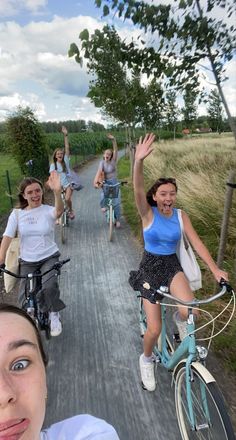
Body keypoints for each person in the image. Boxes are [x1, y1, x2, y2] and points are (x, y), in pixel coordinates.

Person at [129, 133, 228, 392]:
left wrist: (215, 269)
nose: (168, 198)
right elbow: (137, 189)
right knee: (153, 328)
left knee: (191, 310)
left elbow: (196, 243)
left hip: (172, 266)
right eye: (163, 194)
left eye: (172, 194)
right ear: (154, 196)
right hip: (150, 266)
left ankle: (181, 320)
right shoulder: (147, 213)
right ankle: (147, 359)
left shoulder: (181, 215)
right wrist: (138, 162)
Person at [0, 303, 120, 439]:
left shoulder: (91, 433)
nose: (3, 395)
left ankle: (54, 312)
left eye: (20, 365)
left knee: (50, 285)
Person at [0, 172, 66, 337]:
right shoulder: (17, 215)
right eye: (30, 192)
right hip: (28, 260)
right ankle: (27, 322)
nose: (35, 195)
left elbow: (59, 211)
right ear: (24, 195)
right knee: (23, 299)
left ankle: (54, 314)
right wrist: (0, 259)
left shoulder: (48, 211)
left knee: (49, 285)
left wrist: (57, 191)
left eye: (37, 191)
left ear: (42, 192)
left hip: (49, 256)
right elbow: (7, 236)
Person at [93, 134, 121, 228]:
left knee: (116, 202)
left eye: (109, 154)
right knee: (103, 196)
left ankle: (117, 220)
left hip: (114, 183)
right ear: (104, 155)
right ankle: (103, 207)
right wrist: (96, 182)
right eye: (106, 154)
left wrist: (114, 140)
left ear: (111, 155)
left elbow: (115, 150)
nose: (107, 155)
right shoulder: (102, 163)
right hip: (106, 183)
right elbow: (99, 172)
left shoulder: (113, 161)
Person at [50, 125, 75, 220]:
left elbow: (67, 147)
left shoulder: (66, 160)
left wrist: (65, 136)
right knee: (58, 201)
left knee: (68, 199)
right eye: (58, 154)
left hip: (68, 184)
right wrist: (53, 185)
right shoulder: (53, 165)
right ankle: (58, 216)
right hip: (58, 186)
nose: (60, 155)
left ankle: (71, 210)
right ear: (55, 156)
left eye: (61, 153)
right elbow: (52, 176)